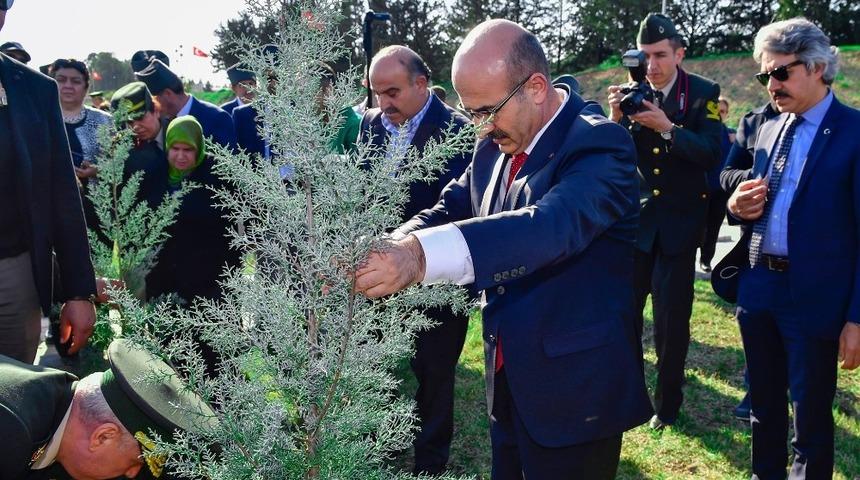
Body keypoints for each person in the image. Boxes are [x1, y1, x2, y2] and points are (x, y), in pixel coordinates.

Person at [355, 20, 651, 478]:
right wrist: (396, 241)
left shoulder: (600, 145)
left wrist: (417, 257)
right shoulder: (495, 141)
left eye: (487, 110)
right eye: (472, 113)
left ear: (536, 87)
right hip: (509, 375)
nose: (481, 126)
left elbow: (548, 227)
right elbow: (455, 201)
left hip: (574, 393)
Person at [722, 18, 860, 478]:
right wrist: (735, 202)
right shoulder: (766, 127)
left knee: (811, 422)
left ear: (819, 67)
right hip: (758, 288)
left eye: (782, 72)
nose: (771, 85)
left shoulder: (853, 132)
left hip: (815, 300)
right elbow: (737, 185)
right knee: (763, 410)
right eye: (765, 75)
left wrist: (857, 317)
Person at [607, 12, 722, 430]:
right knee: (626, 316)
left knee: (672, 325)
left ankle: (667, 405)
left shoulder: (703, 93)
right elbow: (613, 156)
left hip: (678, 227)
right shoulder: (633, 94)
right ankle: (630, 394)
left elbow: (712, 153)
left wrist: (669, 128)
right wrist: (616, 119)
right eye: (645, 57)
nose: (652, 65)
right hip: (637, 227)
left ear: (679, 54)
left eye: (660, 56)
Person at [359, 45, 470, 475]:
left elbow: (458, 207)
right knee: (376, 372)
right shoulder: (370, 126)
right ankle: (379, 449)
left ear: (422, 84)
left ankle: (430, 464)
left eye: (393, 92)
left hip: (436, 282)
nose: (384, 104)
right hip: (375, 279)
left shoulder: (458, 131)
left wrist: (402, 246)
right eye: (376, 93)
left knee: (434, 378)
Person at [0, 2, 96, 364]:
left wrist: (78, 292)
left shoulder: (36, 90)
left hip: (13, 273)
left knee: (12, 401)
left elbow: (62, 195)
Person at [0, 338, 218, 479]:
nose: (132, 474)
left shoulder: (58, 405)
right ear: (103, 436)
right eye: (135, 462)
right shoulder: (10, 428)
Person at [135, 59, 236, 149]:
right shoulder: (162, 123)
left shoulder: (217, 118)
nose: (154, 107)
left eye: (154, 100)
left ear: (168, 94)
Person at [50, 58, 113, 182]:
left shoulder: (104, 121)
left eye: (76, 81)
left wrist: (99, 169)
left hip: (96, 197)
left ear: (86, 87)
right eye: (61, 80)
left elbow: (121, 162)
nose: (68, 86)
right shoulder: (39, 120)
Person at [110, 81, 169, 208]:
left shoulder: (178, 134)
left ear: (156, 110)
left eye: (141, 118)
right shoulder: (123, 147)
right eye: (129, 122)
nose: (135, 127)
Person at [698, 97, 735, 272]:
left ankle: (706, 260)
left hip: (720, 191)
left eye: (722, 112)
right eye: (715, 111)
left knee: (713, 227)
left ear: (726, 114)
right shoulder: (700, 132)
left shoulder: (733, 135)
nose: (718, 115)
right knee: (695, 226)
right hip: (698, 188)